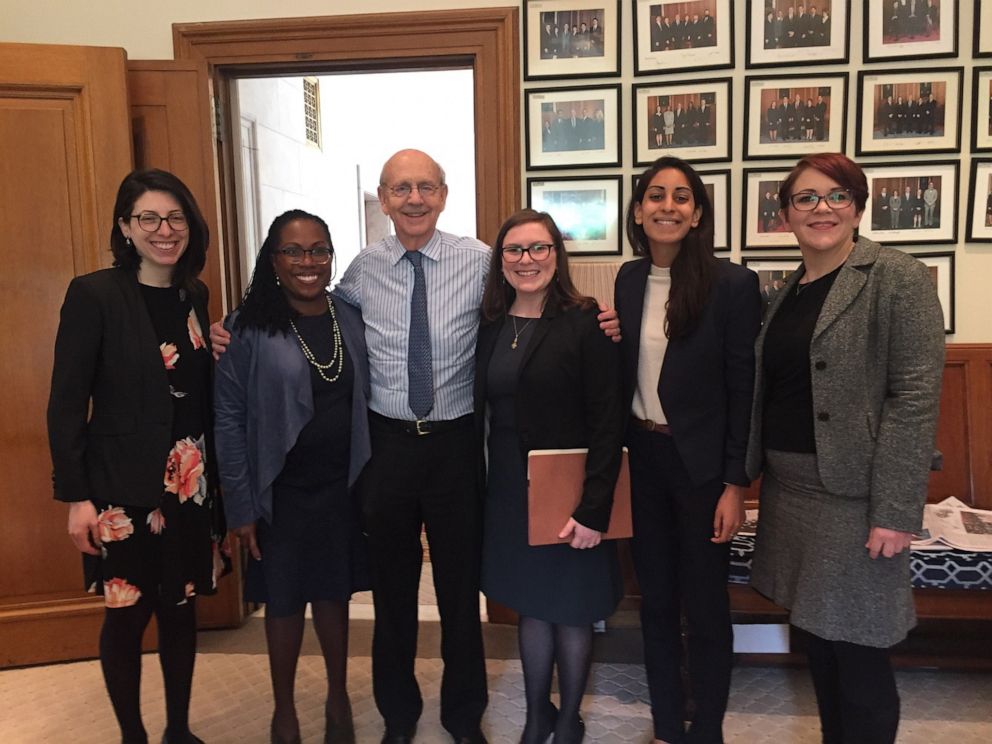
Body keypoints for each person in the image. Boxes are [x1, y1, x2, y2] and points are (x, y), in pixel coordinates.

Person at [210, 149, 621, 744]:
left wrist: (597, 316)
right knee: (393, 592)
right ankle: (398, 716)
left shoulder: (482, 260)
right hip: (385, 448)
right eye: (401, 188)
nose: (415, 198)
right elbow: (307, 309)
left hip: (456, 447)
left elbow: (536, 313)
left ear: (444, 194)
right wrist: (233, 326)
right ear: (383, 197)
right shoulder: (358, 270)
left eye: (426, 186)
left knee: (459, 593)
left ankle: (462, 716)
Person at [746, 153, 944, 744]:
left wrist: (895, 511)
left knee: (859, 653)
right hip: (792, 494)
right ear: (786, 214)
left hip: (855, 500)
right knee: (820, 646)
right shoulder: (787, 291)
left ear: (858, 206)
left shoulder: (896, 276)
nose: (821, 209)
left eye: (837, 196)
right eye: (806, 198)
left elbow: (913, 398)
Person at [48, 169, 223, 744]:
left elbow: (191, 388)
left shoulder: (192, 295)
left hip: (188, 484)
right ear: (125, 227)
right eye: (148, 218)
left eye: (174, 218)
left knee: (180, 609)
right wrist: (76, 497)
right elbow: (67, 403)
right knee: (125, 616)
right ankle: (133, 737)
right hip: (120, 489)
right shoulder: (94, 294)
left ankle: (178, 730)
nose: (164, 230)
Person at [615, 157, 762, 744]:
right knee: (653, 602)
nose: (667, 206)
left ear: (698, 213)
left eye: (681, 197)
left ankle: (707, 729)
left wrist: (735, 484)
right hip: (642, 460)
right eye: (656, 195)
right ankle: (666, 723)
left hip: (701, 471)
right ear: (638, 210)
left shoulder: (732, 285)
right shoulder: (628, 279)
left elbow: (743, 390)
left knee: (704, 608)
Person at [213, 210, 371, 744]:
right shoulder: (246, 326)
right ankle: (284, 712)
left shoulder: (348, 313)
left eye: (319, 250)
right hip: (277, 490)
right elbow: (229, 420)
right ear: (273, 259)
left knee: (333, 595)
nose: (308, 262)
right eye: (294, 251)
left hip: (339, 487)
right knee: (282, 602)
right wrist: (240, 508)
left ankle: (338, 699)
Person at [475, 209, 624, 744]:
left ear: (557, 255)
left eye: (538, 248)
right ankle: (538, 712)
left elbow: (609, 421)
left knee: (572, 607)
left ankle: (567, 721)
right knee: (534, 604)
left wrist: (593, 507)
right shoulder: (490, 323)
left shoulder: (585, 320)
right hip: (511, 489)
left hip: (570, 488)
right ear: (501, 261)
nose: (526, 260)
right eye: (514, 250)